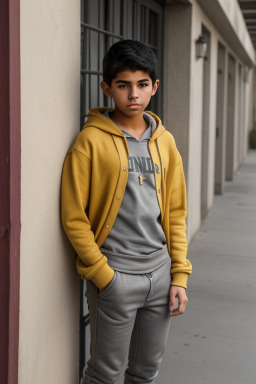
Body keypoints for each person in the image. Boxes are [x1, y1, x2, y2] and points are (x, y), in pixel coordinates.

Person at [61, 40, 192, 384]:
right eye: (123, 85)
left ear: (154, 87)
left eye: (142, 84)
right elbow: (74, 216)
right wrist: (104, 277)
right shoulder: (90, 142)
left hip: (160, 275)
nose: (133, 94)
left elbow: (176, 213)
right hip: (116, 276)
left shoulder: (165, 142)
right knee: (104, 373)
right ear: (107, 88)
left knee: (145, 373)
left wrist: (179, 276)